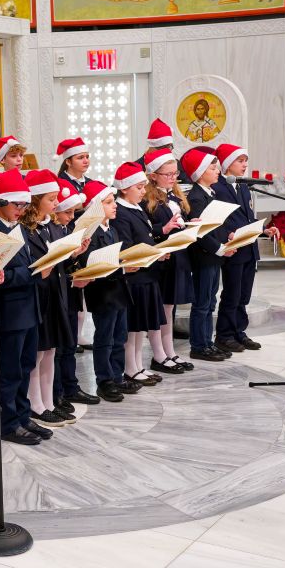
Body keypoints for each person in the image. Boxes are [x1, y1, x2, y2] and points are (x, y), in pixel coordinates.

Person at [0, 170, 51, 445]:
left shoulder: (18, 228)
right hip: (10, 312)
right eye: (17, 204)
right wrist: (36, 272)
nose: (22, 209)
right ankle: (8, 423)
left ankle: (23, 416)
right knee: (10, 371)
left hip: (28, 308)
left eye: (25, 204)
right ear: (1, 201)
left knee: (26, 366)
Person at [22, 169, 85, 428]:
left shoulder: (51, 227)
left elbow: (58, 261)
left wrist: (73, 253)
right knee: (37, 354)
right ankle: (35, 403)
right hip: (38, 297)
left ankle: (48, 402)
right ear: (35, 200)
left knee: (50, 351)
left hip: (56, 294)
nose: (56, 203)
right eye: (51, 199)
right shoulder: (26, 229)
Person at [212, 144, 280, 353]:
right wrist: (227, 234)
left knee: (244, 295)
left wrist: (264, 231)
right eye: (240, 161)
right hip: (235, 249)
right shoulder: (218, 188)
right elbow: (217, 220)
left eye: (245, 161)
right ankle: (224, 335)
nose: (245, 165)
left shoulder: (243, 186)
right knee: (232, 294)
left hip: (249, 248)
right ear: (227, 164)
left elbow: (248, 219)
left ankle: (239, 331)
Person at [79, 181, 139, 402]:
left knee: (120, 335)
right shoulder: (91, 233)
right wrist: (122, 266)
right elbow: (93, 262)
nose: (114, 206)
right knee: (105, 337)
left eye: (113, 201)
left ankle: (117, 375)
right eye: (108, 202)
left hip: (118, 289)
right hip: (103, 292)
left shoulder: (111, 229)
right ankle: (104, 380)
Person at [110, 162, 168, 386]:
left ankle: (137, 365)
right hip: (134, 277)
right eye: (139, 187)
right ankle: (130, 368)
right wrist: (153, 254)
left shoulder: (135, 207)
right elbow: (127, 246)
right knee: (132, 327)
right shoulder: (121, 212)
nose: (144, 191)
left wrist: (157, 251)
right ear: (125, 189)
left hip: (146, 275)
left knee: (140, 326)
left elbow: (146, 236)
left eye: (144, 186)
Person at [183, 149, 237, 362]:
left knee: (210, 301)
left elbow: (216, 225)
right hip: (204, 256)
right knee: (202, 302)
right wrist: (219, 248)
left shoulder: (209, 193)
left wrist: (227, 236)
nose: (218, 171)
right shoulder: (196, 198)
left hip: (213, 255)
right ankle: (198, 346)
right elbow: (201, 232)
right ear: (200, 172)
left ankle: (207, 342)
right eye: (213, 168)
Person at [143, 148, 194, 375]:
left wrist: (193, 224)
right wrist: (162, 229)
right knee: (161, 309)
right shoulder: (147, 199)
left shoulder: (175, 196)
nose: (174, 178)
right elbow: (145, 231)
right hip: (161, 259)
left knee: (169, 307)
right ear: (153, 175)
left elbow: (181, 221)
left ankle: (170, 351)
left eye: (176, 173)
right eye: (168, 174)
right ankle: (159, 355)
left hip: (177, 257)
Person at [51, 180, 101, 407]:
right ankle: (58, 392)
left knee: (70, 345)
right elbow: (54, 267)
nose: (71, 217)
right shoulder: (53, 231)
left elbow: (66, 264)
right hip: (58, 296)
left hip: (70, 295)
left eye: (73, 212)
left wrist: (77, 255)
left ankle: (70, 387)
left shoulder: (65, 229)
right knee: (59, 349)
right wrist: (73, 273)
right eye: (67, 212)